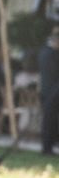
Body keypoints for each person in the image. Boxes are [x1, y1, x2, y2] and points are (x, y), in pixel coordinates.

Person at [40, 23, 59, 156]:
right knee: (49, 121)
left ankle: (48, 147)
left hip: (49, 91)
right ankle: (47, 148)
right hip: (51, 92)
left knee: (51, 121)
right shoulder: (50, 53)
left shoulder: (45, 52)